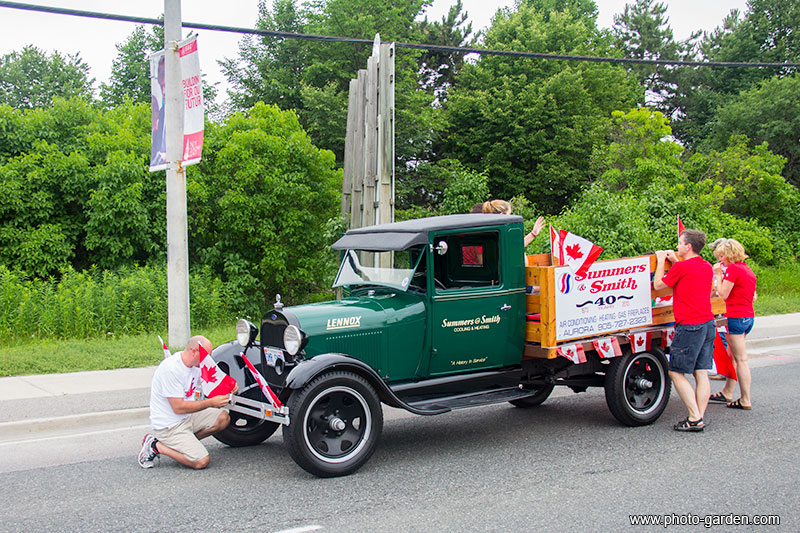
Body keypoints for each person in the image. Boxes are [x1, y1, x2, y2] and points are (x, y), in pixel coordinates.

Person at [138, 335, 237, 469]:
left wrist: (229, 387)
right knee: (201, 461)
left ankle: (186, 445)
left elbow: (210, 384)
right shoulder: (171, 369)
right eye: (205, 355)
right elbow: (178, 408)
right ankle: (157, 446)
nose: (207, 360)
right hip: (170, 426)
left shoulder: (195, 365)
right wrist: (211, 403)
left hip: (187, 418)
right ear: (193, 351)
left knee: (223, 417)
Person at [653, 229, 715, 432]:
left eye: (680, 243)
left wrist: (661, 259)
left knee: (676, 372)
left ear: (688, 247)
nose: (677, 246)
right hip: (708, 324)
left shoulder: (682, 268)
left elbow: (658, 285)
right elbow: (688, 272)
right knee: (701, 371)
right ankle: (699, 415)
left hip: (689, 326)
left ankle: (695, 418)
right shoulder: (706, 266)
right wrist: (677, 260)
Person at [708, 238, 757, 410]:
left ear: (729, 255)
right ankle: (727, 391)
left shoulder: (733, 270)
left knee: (741, 359)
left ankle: (745, 399)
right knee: (733, 356)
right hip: (747, 316)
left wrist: (719, 275)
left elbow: (723, 294)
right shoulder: (748, 270)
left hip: (734, 317)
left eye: (722, 256)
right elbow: (753, 296)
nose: (720, 260)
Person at [481, 199, 545, 248]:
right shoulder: (503, 233)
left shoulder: (486, 231)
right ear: (502, 215)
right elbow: (515, 248)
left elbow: (515, 246)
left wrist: (533, 233)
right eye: (510, 214)